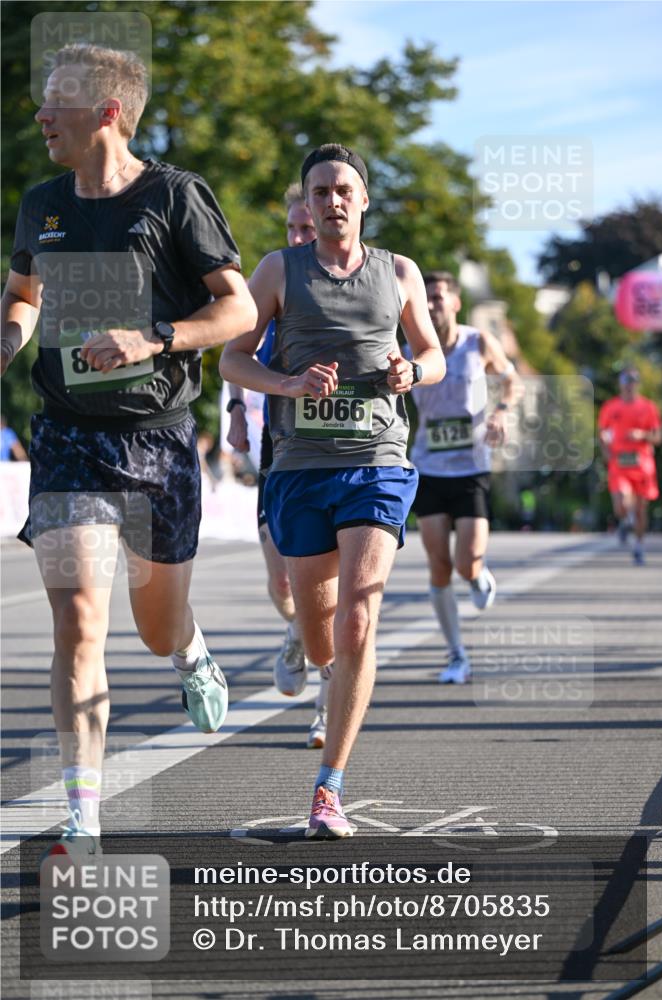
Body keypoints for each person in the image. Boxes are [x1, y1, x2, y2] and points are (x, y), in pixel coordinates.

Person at [0, 44, 257, 858]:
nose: (41, 116)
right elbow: (23, 295)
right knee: (78, 624)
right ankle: (85, 816)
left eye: (57, 103)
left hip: (158, 441)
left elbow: (239, 311)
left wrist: (151, 338)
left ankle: (189, 650)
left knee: (153, 628)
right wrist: (8, 339)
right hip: (70, 437)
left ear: (107, 112)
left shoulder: (175, 198)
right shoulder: (41, 203)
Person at [220, 143, 445, 838]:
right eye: (319, 192)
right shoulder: (276, 270)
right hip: (297, 466)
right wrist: (286, 383)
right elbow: (231, 354)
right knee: (318, 627)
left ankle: (328, 788)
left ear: (363, 199)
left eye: (342, 189)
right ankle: (322, 670)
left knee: (356, 619)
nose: (331, 201)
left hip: (377, 459)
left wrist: (413, 370)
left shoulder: (398, 271)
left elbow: (433, 354)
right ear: (307, 203)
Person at [226, 184, 329, 748]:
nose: (298, 238)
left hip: (343, 453)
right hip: (281, 448)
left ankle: (324, 708)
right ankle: (295, 629)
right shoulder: (277, 281)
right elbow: (236, 353)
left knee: (333, 594)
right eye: (292, 229)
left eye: (306, 229)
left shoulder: (360, 282)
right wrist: (238, 409)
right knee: (281, 575)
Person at [408, 271, 518, 683]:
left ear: (455, 302)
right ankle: (456, 655)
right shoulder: (410, 348)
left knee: (466, 562)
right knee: (438, 565)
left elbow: (511, 380)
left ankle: (478, 574)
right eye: (427, 298)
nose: (432, 304)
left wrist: (503, 411)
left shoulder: (478, 343)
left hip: (471, 467)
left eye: (438, 297)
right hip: (430, 466)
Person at [598, 366, 662, 565]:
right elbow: (602, 432)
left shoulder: (648, 407)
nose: (629, 388)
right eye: (626, 384)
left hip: (642, 463)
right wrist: (606, 450)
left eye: (632, 384)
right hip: (619, 462)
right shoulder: (610, 407)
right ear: (621, 385)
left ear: (637, 385)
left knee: (641, 508)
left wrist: (642, 435)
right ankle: (626, 522)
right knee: (622, 503)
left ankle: (639, 546)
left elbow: (658, 436)